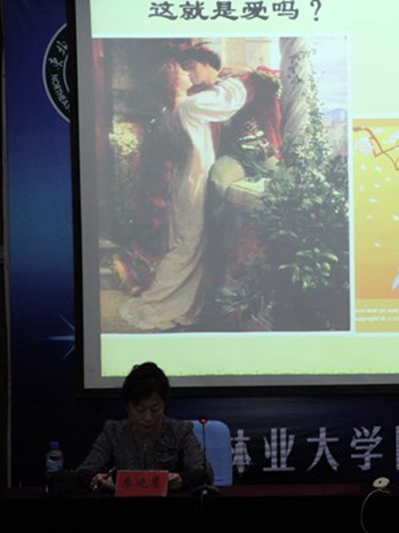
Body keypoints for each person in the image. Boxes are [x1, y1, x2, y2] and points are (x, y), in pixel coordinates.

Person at [118, 54, 248, 330]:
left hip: (181, 183)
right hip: (193, 182)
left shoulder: (169, 112)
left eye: (191, 67)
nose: (189, 73)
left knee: (182, 243)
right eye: (184, 71)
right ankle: (162, 301)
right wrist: (230, 78)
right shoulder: (191, 106)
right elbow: (231, 99)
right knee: (188, 247)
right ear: (175, 82)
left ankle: (179, 303)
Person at [76, 362, 212, 492]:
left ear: (164, 405)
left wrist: (182, 480)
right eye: (140, 410)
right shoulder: (113, 432)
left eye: (155, 409)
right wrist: (93, 479)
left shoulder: (180, 431)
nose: (148, 418)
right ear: (127, 407)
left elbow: (205, 474)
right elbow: (83, 472)